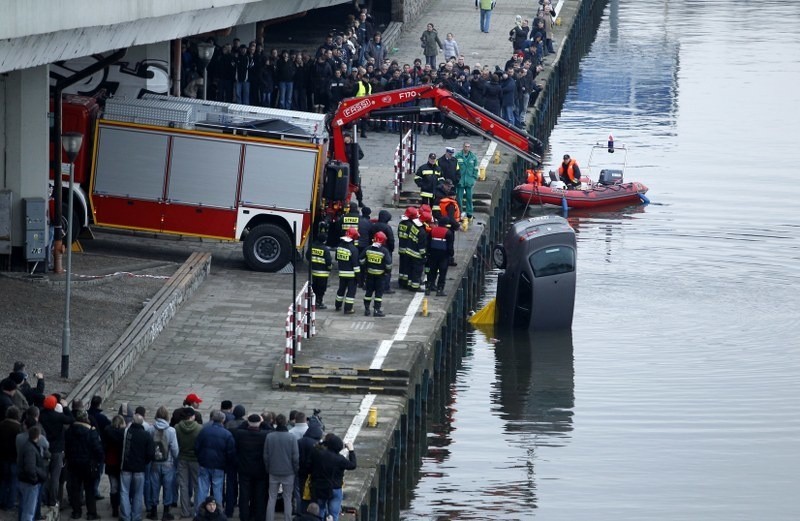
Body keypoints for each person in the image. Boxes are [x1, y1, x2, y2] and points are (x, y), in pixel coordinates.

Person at [64, 409, 104, 520]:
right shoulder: (91, 432)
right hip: (88, 465)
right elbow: (98, 449)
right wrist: (99, 460)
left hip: (73, 463)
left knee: (75, 489)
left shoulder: (70, 431)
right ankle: (91, 513)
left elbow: (66, 447)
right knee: (90, 490)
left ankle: (76, 512)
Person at [195, 411, 235, 514]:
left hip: (204, 463)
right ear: (223, 420)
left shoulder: (204, 431)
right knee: (218, 490)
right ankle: (218, 512)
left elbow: (197, 447)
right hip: (219, 466)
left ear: (212, 419)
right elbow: (230, 453)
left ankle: (199, 512)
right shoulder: (227, 434)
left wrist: (200, 459)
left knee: (202, 489)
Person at [309, 434, 356, 521]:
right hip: (335, 487)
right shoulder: (340, 459)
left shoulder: (320, 455)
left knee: (321, 511)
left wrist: (323, 442)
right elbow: (353, 465)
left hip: (321, 487)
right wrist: (351, 451)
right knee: (334, 514)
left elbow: (317, 448)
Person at [120, 414, 156, 521]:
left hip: (126, 467)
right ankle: (136, 516)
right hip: (139, 468)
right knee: (138, 493)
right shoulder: (146, 435)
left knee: (124, 492)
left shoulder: (126, 432)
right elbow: (150, 454)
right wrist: (145, 462)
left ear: (132, 422)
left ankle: (125, 516)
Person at [263, 414, 298, 521]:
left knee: (272, 497)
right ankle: (288, 519)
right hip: (288, 472)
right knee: (287, 498)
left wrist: (268, 468)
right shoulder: (292, 437)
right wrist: (295, 469)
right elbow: (295, 457)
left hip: (273, 471)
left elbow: (266, 455)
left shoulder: (270, 436)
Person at [233, 414, 267, 521]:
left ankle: (244, 516)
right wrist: (263, 422)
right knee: (259, 495)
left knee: (244, 494)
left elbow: (237, 429)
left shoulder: (240, 434)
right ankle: (258, 516)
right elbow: (271, 429)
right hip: (260, 470)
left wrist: (246, 421)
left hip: (244, 468)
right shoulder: (264, 435)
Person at [149, 406, 179, 521]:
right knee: (168, 487)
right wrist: (175, 458)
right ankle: (166, 512)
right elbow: (175, 449)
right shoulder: (171, 430)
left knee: (154, 486)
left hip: (155, 462)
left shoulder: (151, 429)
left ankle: (153, 512)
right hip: (168, 462)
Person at [176, 407, 202, 519]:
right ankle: (196, 511)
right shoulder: (199, 428)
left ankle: (185, 511)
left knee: (183, 485)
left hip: (182, 458)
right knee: (197, 485)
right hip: (195, 459)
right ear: (193, 416)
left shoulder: (177, 427)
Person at [17, 426, 48, 521]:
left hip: (25, 481)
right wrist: (34, 480)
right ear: (38, 436)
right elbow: (30, 468)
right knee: (29, 511)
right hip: (30, 483)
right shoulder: (31, 449)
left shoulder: (28, 446)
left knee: (26, 508)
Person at [360, 231, 392, 317]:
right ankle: (376, 310)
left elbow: (361, 260)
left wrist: (365, 267)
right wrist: (387, 272)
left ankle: (367, 310)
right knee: (378, 294)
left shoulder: (368, 249)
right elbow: (388, 264)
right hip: (380, 276)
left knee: (368, 292)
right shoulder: (384, 251)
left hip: (369, 274)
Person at [334, 228, 361, 314]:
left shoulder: (339, 246)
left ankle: (338, 305)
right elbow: (355, 265)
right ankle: (348, 308)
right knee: (351, 292)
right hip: (351, 275)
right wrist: (359, 277)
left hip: (342, 273)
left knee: (341, 289)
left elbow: (336, 258)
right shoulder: (353, 249)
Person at [0, 406, 21, 511]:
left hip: (3, 457)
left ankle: (1, 501)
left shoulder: (2, 425)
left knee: (3, 480)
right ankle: (10, 503)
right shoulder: (18, 428)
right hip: (13, 458)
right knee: (13, 482)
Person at [307, 227, 333, 309]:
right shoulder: (325, 249)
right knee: (321, 289)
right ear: (324, 240)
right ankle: (319, 302)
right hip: (323, 274)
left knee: (314, 287)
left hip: (314, 271)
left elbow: (307, 256)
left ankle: (313, 301)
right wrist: (329, 268)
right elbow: (328, 261)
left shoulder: (312, 246)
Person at [454, 143, 479, 218]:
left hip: (469, 180)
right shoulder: (457, 156)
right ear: (463, 147)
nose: (467, 148)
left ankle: (469, 212)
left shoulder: (473, 157)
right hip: (460, 180)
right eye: (465, 146)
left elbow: (476, 168)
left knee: (469, 197)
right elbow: (455, 168)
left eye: (468, 147)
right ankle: (460, 211)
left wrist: (474, 178)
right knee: (459, 197)